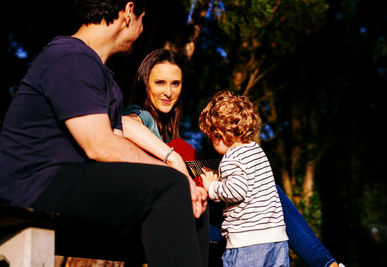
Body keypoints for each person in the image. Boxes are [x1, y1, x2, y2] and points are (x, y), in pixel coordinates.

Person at [0, 1, 208, 266]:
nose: (142, 29)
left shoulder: (101, 75)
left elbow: (117, 138)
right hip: (36, 185)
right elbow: (99, 145)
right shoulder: (70, 56)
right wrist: (172, 170)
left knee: (194, 202)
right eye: (142, 20)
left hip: (69, 180)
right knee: (172, 186)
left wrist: (183, 179)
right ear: (128, 12)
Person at [121, 48, 342, 267]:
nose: (168, 92)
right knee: (265, 191)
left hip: (196, 211)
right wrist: (173, 159)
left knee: (262, 188)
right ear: (145, 84)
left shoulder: (169, 130)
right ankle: (324, 263)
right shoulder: (143, 115)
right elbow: (123, 124)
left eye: (175, 83)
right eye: (160, 82)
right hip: (169, 219)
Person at [197, 90, 289, 267]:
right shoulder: (256, 151)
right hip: (276, 239)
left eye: (211, 138)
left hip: (247, 243)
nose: (211, 142)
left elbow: (236, 191)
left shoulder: (231, 158)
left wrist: (212, 186)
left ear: (220, 135)